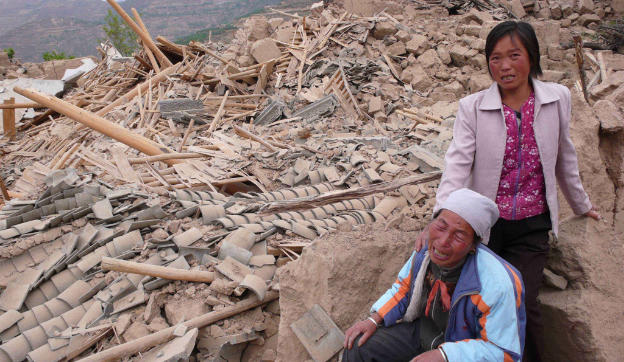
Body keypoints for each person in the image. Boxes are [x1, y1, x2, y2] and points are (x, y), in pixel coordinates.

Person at [414, 21, 601, 362]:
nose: (504, 66)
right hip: (482, 226)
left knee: (522, 301)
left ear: (532, 57)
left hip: (532, 225)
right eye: (496, 58)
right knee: (470, 299)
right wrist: (440, 219)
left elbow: (564, 156)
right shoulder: (472, 107)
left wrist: (581, 204)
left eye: (514, 55)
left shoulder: (557, 98)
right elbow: (456, 164)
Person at [343, 188, 526, 362]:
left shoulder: (498, 284)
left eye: (459, 236)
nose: (443, 241)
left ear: (474, 245)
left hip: (462, 350)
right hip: (423, 333)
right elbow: (404, 288)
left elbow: (502, 353)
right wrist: (374, 320)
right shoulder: (425, 252)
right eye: (440, 226)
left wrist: (446, 356)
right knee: (359, 346)